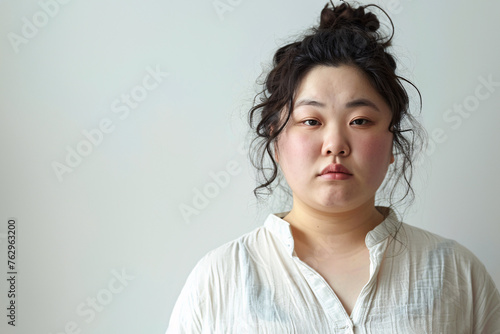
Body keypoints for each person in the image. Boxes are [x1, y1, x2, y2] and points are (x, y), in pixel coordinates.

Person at [166, 1, 500, 333]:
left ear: (392, 142)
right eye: (311, 120)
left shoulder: (456, 274)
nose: (335, 143)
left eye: (360, 120)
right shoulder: (220, 278)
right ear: (276, 142)